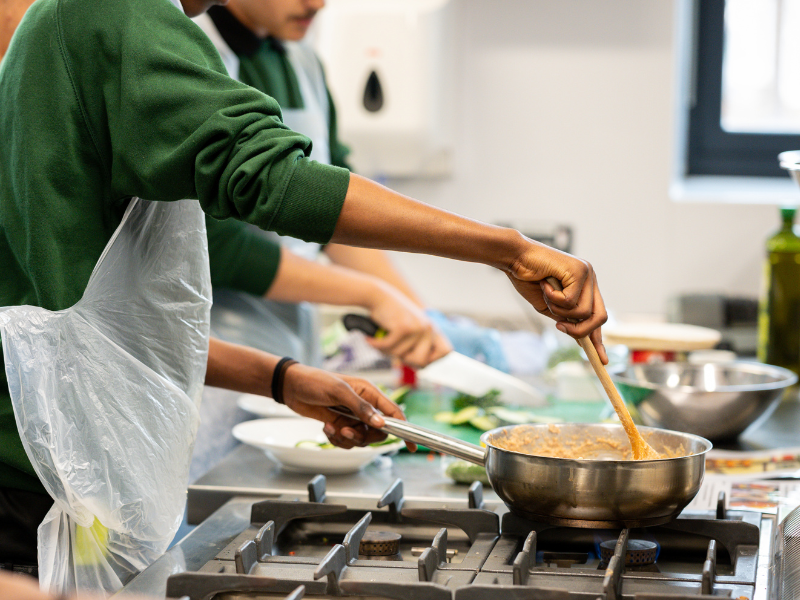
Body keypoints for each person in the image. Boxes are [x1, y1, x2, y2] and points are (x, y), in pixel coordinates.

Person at [0, 0, 607, 584]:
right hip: (37, 485)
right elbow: (271, 179)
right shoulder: (109, 11)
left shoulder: (74, 26)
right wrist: (508, 250)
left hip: (67, 474)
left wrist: (282, 379)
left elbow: (89, 332)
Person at [196, 0, 454, 369]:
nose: (317, 3)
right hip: (214, 349)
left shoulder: (303, 61)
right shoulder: (192, 54)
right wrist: (371, 294)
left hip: (291, 339)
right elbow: (216, 248)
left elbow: (336, 212)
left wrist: (419, 316)